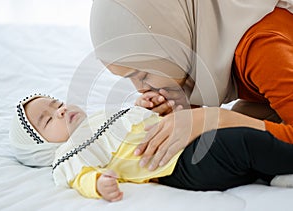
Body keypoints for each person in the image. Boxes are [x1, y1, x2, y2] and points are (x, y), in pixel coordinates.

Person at [90, 0, 293, 172]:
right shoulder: (211, 36)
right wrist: (181, 110)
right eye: (129, 78)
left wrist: (216, 119)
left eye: (143, 75)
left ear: (171, 43)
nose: (140, 89)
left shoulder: (261, 46)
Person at [9, 94, 293, 202]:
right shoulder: (67, 153)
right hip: (176, 164)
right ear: (43, 148)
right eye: (47, 120)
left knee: (235, 126)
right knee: (238, 142)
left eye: (57, 104)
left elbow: (132, 125)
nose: (60, 111)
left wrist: (142, 108)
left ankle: (271, 174)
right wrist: (98, 184)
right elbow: (78, 176)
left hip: (181, 139)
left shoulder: (97, 118)